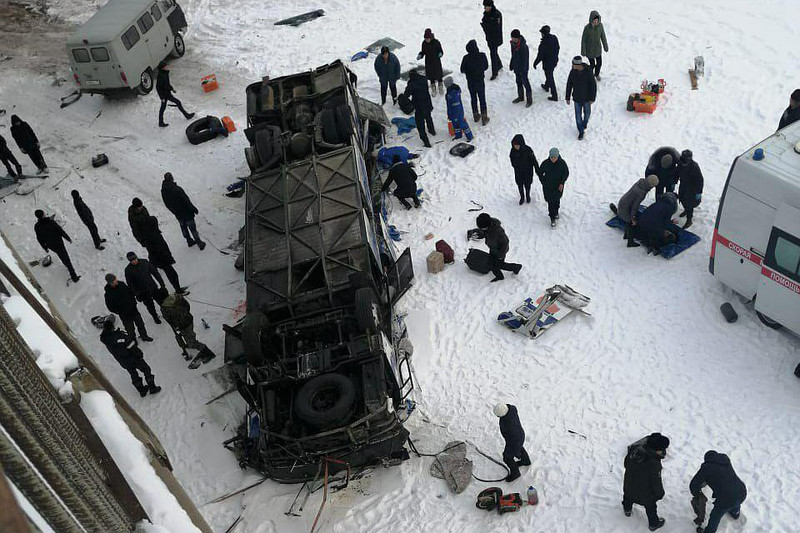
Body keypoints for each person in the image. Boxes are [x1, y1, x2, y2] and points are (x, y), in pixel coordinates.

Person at [690, 451, 747, 533]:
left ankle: (709, 531)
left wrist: (697, 494)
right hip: (742, 490)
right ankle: (735, 512)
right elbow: (720, 474)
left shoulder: (706, 467)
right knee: (735, 499)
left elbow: (693, 484)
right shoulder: (725, 460)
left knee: (715, 515)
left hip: (726, 499)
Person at [154, 287, 216, 362]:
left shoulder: (165, 308)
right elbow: (187, 305)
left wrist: (176, 326)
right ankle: (191, 340)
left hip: (183, 326)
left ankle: (208, 353)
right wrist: (185, 314)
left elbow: (169, 320)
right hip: (189, 319)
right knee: (190, 334)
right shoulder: (177, 296)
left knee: (192, 342)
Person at [100, 320, 160, 397]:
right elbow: (131, 346)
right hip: (133, 357)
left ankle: (142, 390)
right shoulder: (120, 336)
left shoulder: (106, 339)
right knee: (146, 369)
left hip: (123, 361)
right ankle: (152, 387)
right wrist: (139, 354)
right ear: (112, 327)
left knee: (133, 374)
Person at [622, 433, 669, 531]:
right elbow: (656, 482)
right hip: (644, 494)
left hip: (629, 485)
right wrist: (660, 494)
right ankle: (654, 524)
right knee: (651, 507)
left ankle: (627, 510)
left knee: (628, 497)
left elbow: (626, 463)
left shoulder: (634, 450)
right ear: (658, 449)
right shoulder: (654, 463)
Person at [139, 212, 186, 294]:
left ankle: (176, 288)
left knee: (170, 274)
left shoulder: (149, 234)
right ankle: (178, 290)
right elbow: (158, 248)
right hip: (162, 258)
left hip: (160, 258)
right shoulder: (153, 235)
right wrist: (166, 256)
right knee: (172, 274)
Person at [610, 175, 660, 247]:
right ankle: (630, 241)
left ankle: (626, 234)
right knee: (631, 223)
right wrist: (633, 218)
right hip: (625, 208)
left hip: (622, 202)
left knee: (630, 219)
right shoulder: (642, 192)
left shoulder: (641, 182)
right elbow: (634, 207)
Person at [161, 172, 205, 249]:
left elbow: (166, 204)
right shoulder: (177, 189)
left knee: (183, 227)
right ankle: (199, 243)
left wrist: (174, 211)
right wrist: (194, 209)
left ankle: (189, 241)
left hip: (178, 213)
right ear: (172, 178)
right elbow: (186, 201)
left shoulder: (163, 191)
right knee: (192, 228)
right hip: (186, 212)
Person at [33, 210, 80, 282]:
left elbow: (39, 238)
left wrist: (45, 248)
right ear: (43, 215)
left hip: (51, 246)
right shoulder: (51, 222)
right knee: (66, 258)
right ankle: (74, 277)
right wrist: (68, 238)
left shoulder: (37, 226)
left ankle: (65, 264)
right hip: (59, 243)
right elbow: (60, 231)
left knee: (60, 255)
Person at [104, 273, 152, 342]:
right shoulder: (108, 294)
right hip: (125, 315)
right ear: (110, 283)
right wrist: (121, 311)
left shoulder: (122, 284)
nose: (116, 281)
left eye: (115, 279)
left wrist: (134, 303)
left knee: (140, 324)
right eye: (114, 281)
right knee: (130, 329)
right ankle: (133, 340)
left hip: (133, 310)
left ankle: (144, 336)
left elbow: (130, 292)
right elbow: (110, 307)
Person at [474, 213, 521, 282]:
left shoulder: (498, 232)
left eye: (482, 228)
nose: (481, 229)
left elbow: (505, 242)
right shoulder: (487, 227)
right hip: (493, 247)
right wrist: (480, 235)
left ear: (487, 225)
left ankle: (516, 267)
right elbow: (485, 233)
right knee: (491, 263)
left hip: (500, 251)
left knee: (499, 265)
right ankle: (499, 276)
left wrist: (501, 255)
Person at [124, 252, 165, 325]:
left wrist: (162, 284)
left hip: (152, 287)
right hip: (143, 292)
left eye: (134, 259)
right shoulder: (128, 270)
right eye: (131, 260)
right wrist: (137, 294)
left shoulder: (144, 262)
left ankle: (165, 313)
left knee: (161, 302)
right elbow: (130, 284)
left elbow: (155, 273)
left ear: (136, 257)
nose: (134, 261)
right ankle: (155, 317)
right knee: (150, 306)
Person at [493, 403, 530, 482]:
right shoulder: (511, 409)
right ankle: (526, 461)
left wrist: (517, 453)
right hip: (520, 434)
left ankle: (515, 473)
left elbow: (515, 442)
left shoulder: (509, 426)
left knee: (507, 457)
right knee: (520, 446)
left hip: (513, 440)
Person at [565, 56, 597, 140]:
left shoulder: (588, 72)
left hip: (586, 98)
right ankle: (581, 131)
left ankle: (585, 123)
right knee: (578, 117)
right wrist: (567, 97)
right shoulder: (573, 72)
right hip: (577, 98)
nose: (572, 66)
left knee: (587, 113)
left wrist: (592, 98)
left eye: (574, 64)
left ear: (578, 65)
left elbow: (593, 85)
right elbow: (569, 84)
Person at [156, 62, 195, 128]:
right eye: (166, 66)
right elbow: (158, 88)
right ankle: (186, 115)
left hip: (167, 93)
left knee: (165, 107)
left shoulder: (165, 74)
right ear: (163, 68)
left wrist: (172, 89)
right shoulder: (160, 76)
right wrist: (162, 98)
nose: (167, 67)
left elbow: (167, 84)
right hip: (164, 95)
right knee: (174, 104)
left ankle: (161, 122)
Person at [404, 69, 436, 148]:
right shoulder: (424, 79)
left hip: (418, 106)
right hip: (427, 102)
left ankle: (426, 141)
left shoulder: (411, 83)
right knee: (428, 117)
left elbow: (406, 94)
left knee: (420, 124)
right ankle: (432, 131)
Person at [460, 40, 489, 124]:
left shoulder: (466, 58)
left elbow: (462, 69)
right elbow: (486, 66)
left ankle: (475, 115)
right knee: (482, 98)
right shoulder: (482, 55)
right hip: (480, 81)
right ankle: (484, 117)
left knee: (473, 98)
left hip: (470, 82)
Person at [538, 148, 569, 227]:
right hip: (548, 187)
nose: (553, 159)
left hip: (558, 187)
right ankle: (552, 217)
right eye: (552, 157)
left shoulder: (562, 163)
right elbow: (540, 173)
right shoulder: (545, 163)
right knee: (550, 202)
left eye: (555, 157)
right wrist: (543, 182)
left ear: (558, 156)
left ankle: (556, 212)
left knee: (557, 201)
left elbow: (566, 173)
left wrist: (562, 183)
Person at [676, 150, 704, 229]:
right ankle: (686, 210)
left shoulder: (694, 166)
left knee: (689, 204)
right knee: (682, 199)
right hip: (683, 186)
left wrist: (699, 192)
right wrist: (674, 181)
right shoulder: (680, 163)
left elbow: (700, 180)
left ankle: (689, 219)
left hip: (692, 189)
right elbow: (677, 173)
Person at [509, 134, 539, 205]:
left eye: (517, 145)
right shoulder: (513, 151)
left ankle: (528, 195)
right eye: (514, 145)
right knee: (520, 184)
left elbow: (534, 160)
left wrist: (537, 169)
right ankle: (522, 197)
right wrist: (515, 165)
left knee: (527, 184)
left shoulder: (528, 150)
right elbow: (511, 159)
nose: (516, 146)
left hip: (528, 171)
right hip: (518, 172)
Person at [533, 25, 560, 102]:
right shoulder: (554, 38)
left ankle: (554, 95)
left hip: (548, 64)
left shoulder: (543, 43)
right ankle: (546, 86)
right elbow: (558, 47)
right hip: (554, 61)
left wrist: (535, 63)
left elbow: (540, 56)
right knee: (549, 75)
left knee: (550, 77)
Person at [580, 11, 609, 80]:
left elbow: (603, 37)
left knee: (599, 63)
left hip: (597, 49)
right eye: (595, 20)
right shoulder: (587, 28)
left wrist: (605, 46)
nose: (596, 22)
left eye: (597, 20)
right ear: (591, 19)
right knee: (592, 64)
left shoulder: (600, 26)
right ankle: (589, 74)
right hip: (589, 50)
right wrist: (583, 51)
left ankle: (596, 74)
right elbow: (583, 40)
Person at [444, 77, 473, 141]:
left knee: (462, 124)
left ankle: (469, 136)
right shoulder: (449, 91)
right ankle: (458, 135)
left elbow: (455, 104)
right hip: (452, 112)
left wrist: (454, 114)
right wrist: (449, 114)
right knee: (455, 124)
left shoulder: (454, 92)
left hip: (457, 112)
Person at [480, 0, 503, 80]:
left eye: (486, 7)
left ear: (490, 6)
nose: (485, 8)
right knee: (494, 52)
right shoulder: (486, 13)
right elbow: (484, 21)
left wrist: (486, 26)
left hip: (495, 38)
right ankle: (499, 64)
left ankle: (495, 72)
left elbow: (496, 27)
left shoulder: (497, 15)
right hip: (489, 37)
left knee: (493, 54)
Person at [509, 29, 532, 107]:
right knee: (518, 82)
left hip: (523, 69)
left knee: (525, 83)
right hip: (516, 67)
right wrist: (512, 63)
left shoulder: (523, 47)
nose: (512, 39)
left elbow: (525, 60)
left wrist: (523, 70)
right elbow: (513, 55)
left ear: (517, 38)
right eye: (511, 37)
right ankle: (521, 97)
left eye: (513, 38)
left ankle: (529, 100)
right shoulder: (513, 44)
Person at [418, 29, 444, 96]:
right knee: (431, 76)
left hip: (436, 61)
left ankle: (440, 85)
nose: (427, 40)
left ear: (431, 37)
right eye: (426, 39)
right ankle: (433, 87)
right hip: (428, 62)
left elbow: (441, 51)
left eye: (428, 38)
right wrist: (420, 55)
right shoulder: (424, 43)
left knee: (438, 74)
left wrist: (440, 53)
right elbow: (423, 51)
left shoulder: (436, 42)